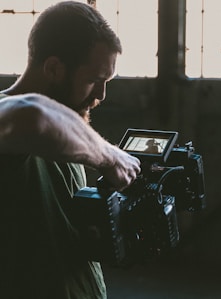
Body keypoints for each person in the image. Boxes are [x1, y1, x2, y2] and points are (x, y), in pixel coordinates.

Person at [0, 2, 141, 299]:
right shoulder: (9, 115)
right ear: (53, 68)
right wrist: (110, 156)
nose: (101, 95)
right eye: (94, 80)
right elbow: (32, 117)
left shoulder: (71, 125)